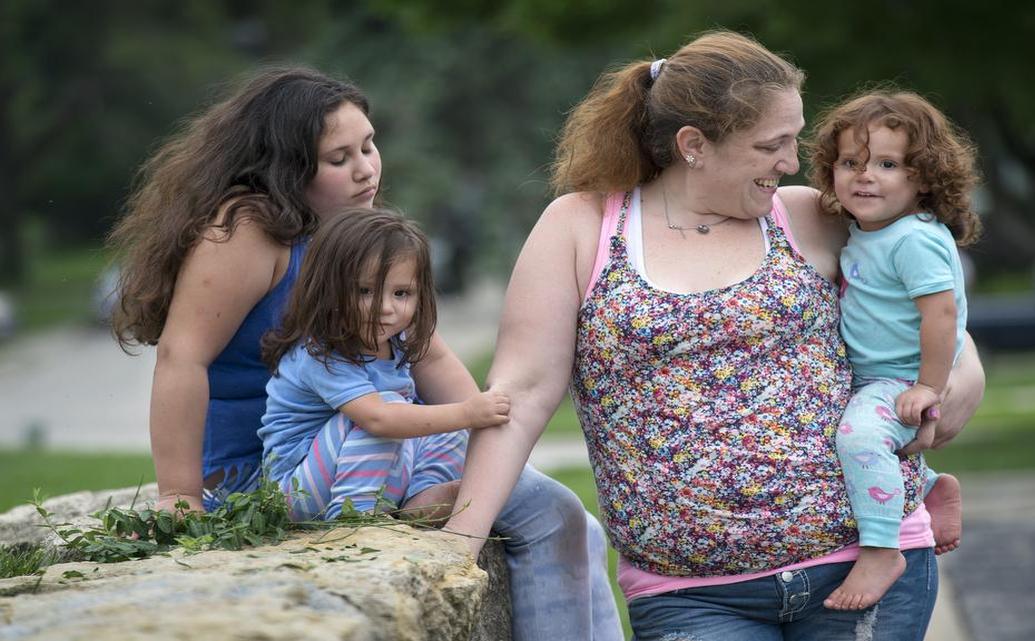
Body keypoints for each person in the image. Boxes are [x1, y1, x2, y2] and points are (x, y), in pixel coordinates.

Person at [444, 31, 985, 639]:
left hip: (862, 567)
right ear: (694, 145)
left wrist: (948, 393)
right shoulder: (582, 227)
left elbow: (933, 320)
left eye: (794, 139)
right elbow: (520, 393)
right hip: (690, 598)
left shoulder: (810, 216)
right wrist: (459, 541)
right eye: (771, 145)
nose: (791, 162)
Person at [108, 66, 621, 640]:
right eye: (339, 158)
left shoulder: (351, 231)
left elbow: (425, 355)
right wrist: (179, 497)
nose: (366, 168)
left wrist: (493, 444)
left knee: (573, 521)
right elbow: (183, 357)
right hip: (278, 474)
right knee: (549, 514)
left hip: (369, 447)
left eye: (369, 145)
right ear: (287, 167)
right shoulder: (247, 230)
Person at [807, 90, 981, 611]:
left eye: (887, 164)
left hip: (902, 378)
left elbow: (942, 314)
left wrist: (927, 387)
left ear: (923, 177)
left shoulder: (912, 238)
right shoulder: (867, 232)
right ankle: (927, 487)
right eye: (850, 163)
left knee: (859, 436)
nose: (865, 175)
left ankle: (882, 550)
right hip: (872, 375)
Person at [259, 209, 509, 521]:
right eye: (365, 291)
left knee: (446, 429)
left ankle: (421, 498)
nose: (385, 308)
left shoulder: (397, 342)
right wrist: (467, 412)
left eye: (401, 293)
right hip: (297, 492)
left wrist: (467, 418)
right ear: (327, 289)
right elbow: (379, 419)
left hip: (364, 474)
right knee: (392, 410)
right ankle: (351, 520)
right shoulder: (319, 353)